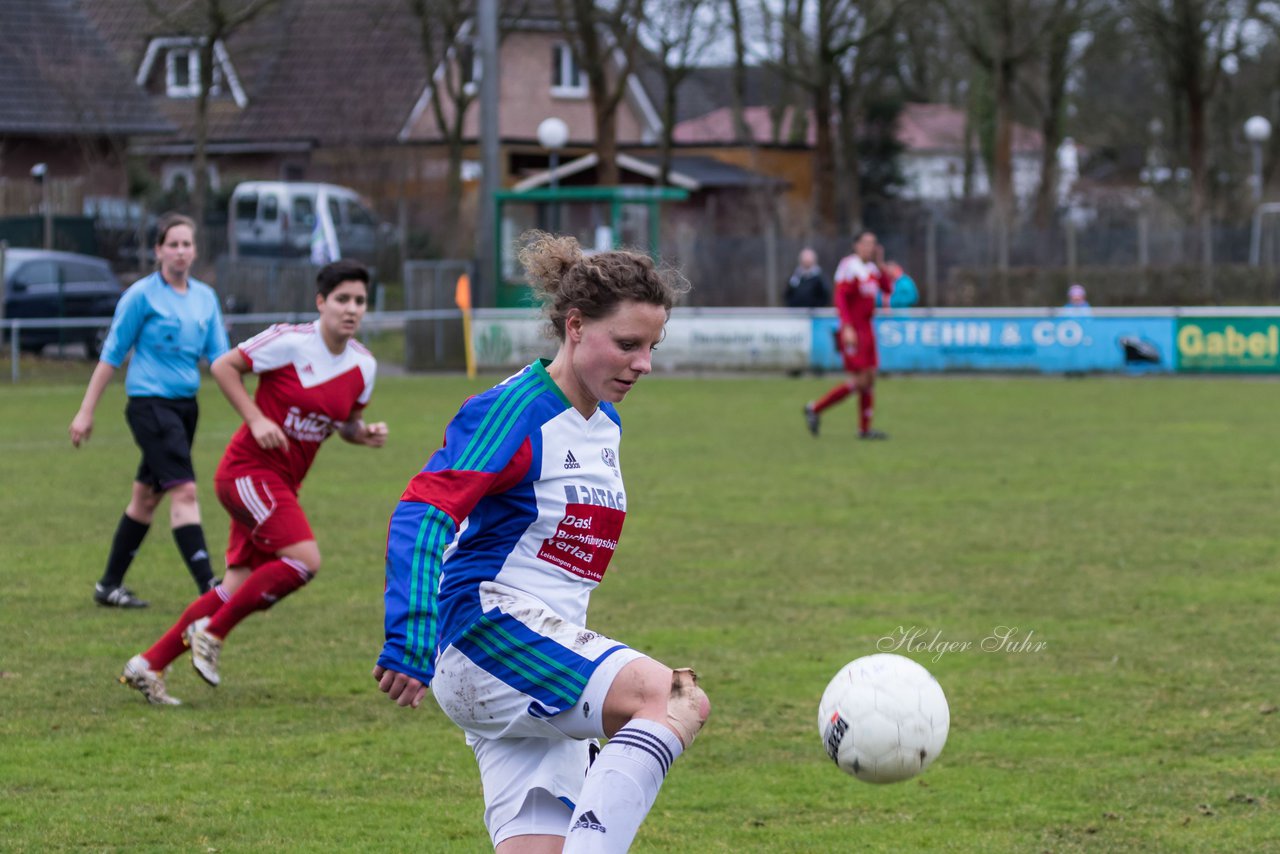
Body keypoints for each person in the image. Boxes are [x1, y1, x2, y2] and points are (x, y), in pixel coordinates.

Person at [374, 232, 710, 853]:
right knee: (670, 698)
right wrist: (410, 633)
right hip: (490, 635)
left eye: (652, 347)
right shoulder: (516, 411)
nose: (644, 365)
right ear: (575, 326)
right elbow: (423, 512)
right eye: (629, 345)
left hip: (538, 658)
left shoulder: (603, 424)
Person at [119, 259, 386, 705]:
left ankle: (147, 665)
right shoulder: (290, 341)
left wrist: (364, 434)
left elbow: (345, 424)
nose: (351, 309)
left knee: (234, 586)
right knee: (304, 560)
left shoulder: (364, 367)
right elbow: (223, 366)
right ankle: (213, 632)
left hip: (282, 484)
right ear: (321, 302)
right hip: (247, 471)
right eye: (342, 299)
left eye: (359, 301)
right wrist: (257, 418)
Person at [70, 213, 228, 608]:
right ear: (158, 250)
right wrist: (85, 411)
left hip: (186, 409)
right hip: (149, 406)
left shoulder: (205, 298)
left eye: (186, 244)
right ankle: (209, 587)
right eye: (171, 244)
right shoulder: (141, 295)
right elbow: (112, 354)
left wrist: (257, 405)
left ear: (195, 250)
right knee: (185, 491)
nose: (179, 251)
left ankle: (108, 586)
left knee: (145, 499)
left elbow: (222, 360)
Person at [804, 230, 897, 440]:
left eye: (872, 244)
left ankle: (864, 428)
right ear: (856, 245)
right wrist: (846, 326)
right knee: (861, 379)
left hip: (867, 327)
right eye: (865, 243)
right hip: (854, 329)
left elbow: (887, 287)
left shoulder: (873, 269)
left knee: (870, 377)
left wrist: (881, 263)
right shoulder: (849, 266)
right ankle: (815, 408)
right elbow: (841, 298)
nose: (869, 247)